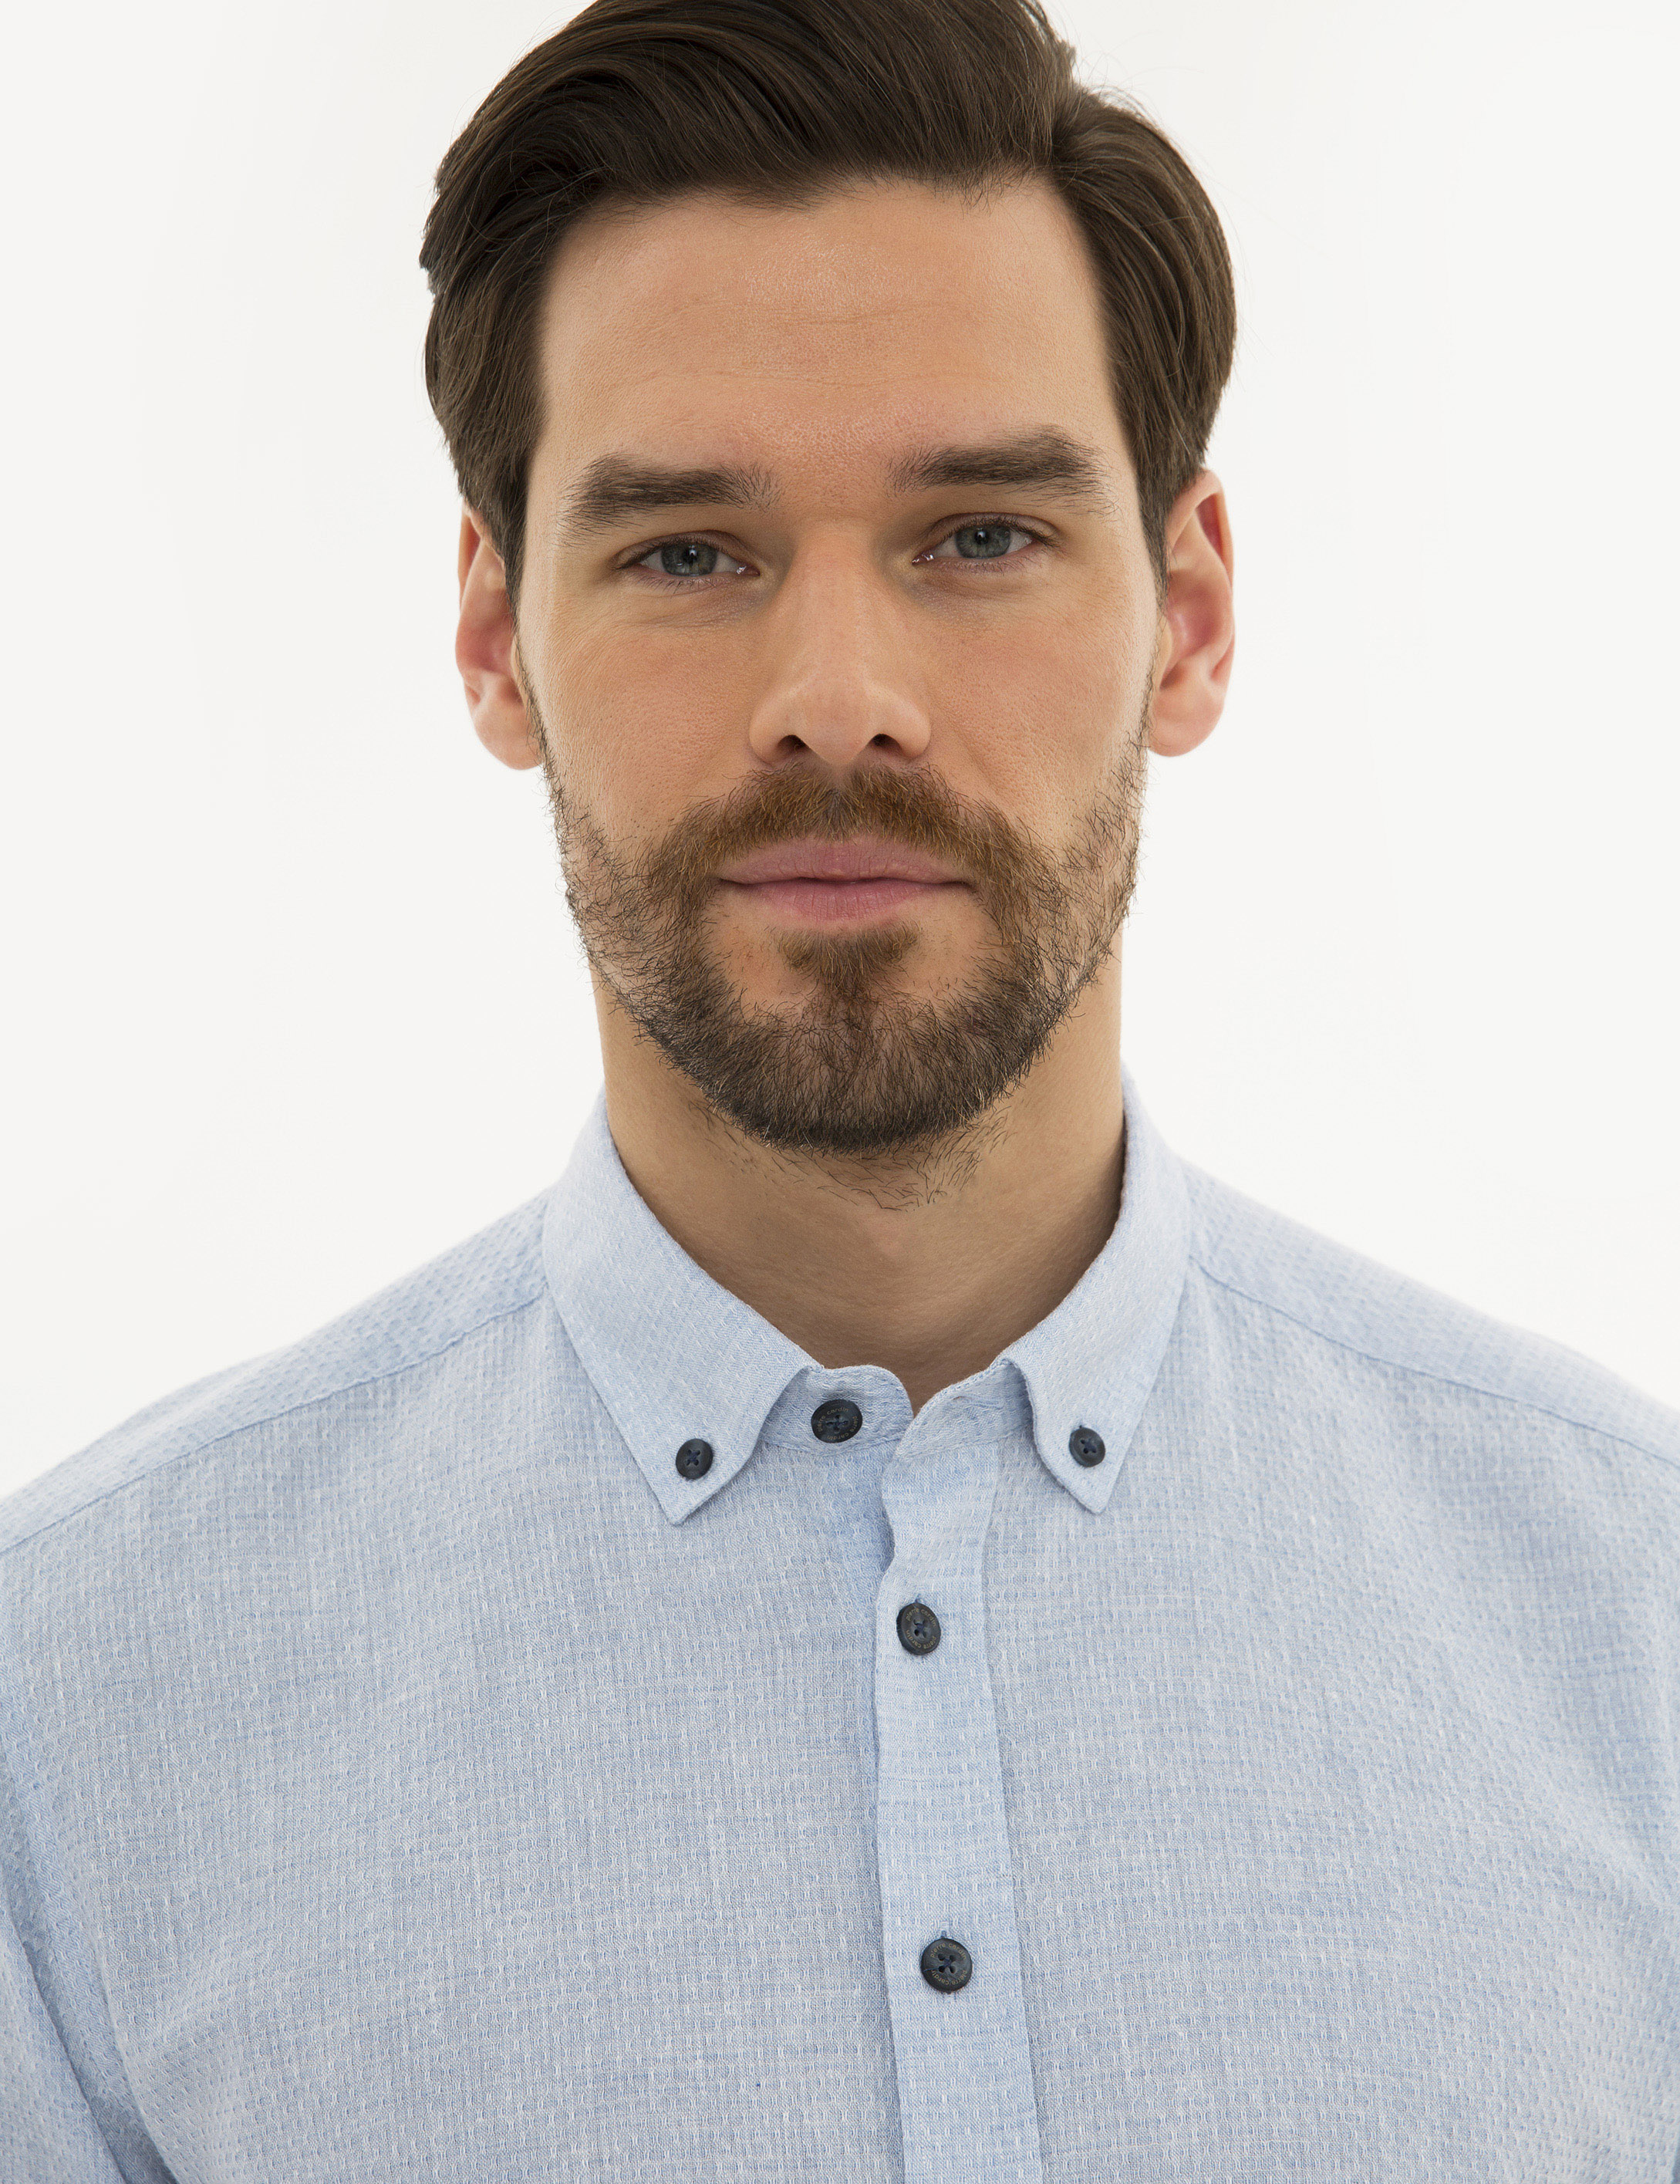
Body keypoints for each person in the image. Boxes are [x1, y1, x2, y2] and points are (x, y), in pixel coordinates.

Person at [4, 0, 1677, 2174]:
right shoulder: (78, 1705)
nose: (837, 700)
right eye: (687, 552)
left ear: (1185, 620)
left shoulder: (1633, 1625)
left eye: (977, 534)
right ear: (498, 641)